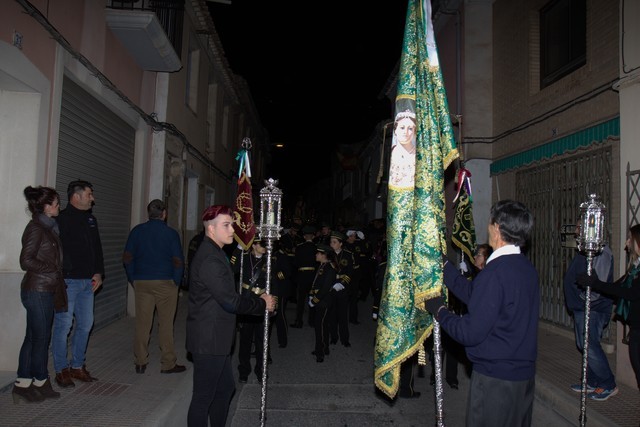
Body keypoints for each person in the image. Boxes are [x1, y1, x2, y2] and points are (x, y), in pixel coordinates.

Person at [426, 199, 539, 426]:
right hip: (522, 377)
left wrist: (440, 311)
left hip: (496, 380)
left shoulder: (494, 273)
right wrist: (445, 266)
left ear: (497, 227)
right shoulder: (526, 269)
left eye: (489, 222)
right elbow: (477, 296)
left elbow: (470, 332)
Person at [186, 205, 275, 427]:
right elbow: (230, 300)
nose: (232, 229)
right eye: (226, 225)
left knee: (225, 388)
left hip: (216, 338)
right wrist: (261, 303)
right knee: (202, 397)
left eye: (232, 224)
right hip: (209, 339)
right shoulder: (210, 259)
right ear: (211, 230)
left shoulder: (216, 252)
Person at [13, 186, 67, 404]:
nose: (58, 207)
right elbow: (25, 260)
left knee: (33, 337)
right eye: (55, 204)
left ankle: (24, 384)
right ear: (46, 207)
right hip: (38, 290)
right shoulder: (37, 228)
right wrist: (51, 269)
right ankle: (40, 381)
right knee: (41, 339)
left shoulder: (47, 227)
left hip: (42, 289)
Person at [122, 199, 186, 375]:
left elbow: (127, 257)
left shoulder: (137, 231)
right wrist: (176, 282)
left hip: (142, 281)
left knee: (142, 323)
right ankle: (168, 363)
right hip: (165, 282)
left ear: (148, 213)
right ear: (164, 214)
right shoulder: (170, 234)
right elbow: (178, 261)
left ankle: (140, 362)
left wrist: (133, 278)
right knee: (165, 324)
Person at [52, 180, 104, 388]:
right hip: (68, 282)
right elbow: (55, 253)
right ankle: (61, 369)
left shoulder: (91, 219)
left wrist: (99, 273)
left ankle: (77, 366)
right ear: (76, 196)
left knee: (85, 325)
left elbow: (97, 249)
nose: (92, 198)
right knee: (64, 325)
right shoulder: (61, 220)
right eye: (89, 194)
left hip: (87, 283)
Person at [577, 224, 640, 394]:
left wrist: (596, 284)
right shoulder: (635, 267)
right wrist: (597, 283)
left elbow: (631, 293)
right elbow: (617, 286)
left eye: (630, 239)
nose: (626, 243)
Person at [564, 239, 616, 400]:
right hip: (581, 307)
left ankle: (608, 384)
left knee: (589, 345)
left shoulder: (601, 251)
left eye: (581, 227)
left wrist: (583, 298)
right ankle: (593, 381)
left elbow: (597, 283)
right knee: (585, 345)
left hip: (593, 308)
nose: (578, 231)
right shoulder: (584, 250)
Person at [231, 238, 269, 383]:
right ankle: (244, 371)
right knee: (245, 341)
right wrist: (239, 248)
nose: (265, 247)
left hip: (262, 303)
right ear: (253, 245)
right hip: (247, 303)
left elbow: (275, 283)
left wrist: (274, 304)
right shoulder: (244, 258)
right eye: (262, 244)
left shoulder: (269, 260)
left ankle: (261, 371)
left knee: (261, 342)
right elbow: (232, 268)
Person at [308, 244, 337, 363]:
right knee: (323, 325)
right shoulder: (322, 266)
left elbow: (325, 288)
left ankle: (320, 352)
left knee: (319, 327)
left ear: (324, 255)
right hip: (320, 300)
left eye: (318, 253)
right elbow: (316, 283)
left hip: (323, 302)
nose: (316, 255)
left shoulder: (329, 268)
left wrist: (314, 300)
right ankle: (324, 348)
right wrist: (311, 295)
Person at [329, 230, 355, 347]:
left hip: (343, 289)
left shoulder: (348, 255)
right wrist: (332, 283)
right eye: (331, 242)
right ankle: (334, 337)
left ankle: (345, 339)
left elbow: (350, 272)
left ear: (340, 244)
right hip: (330, 288)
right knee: (332, 315)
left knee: (343, 316)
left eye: (334, 242)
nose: (331, 244)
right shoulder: (328, 255)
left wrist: (342, 283)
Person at [291, 225, 317, 328]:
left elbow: (295, 263)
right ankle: (312, 321)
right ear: (313, 237)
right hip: (313, 276)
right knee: (312, 299)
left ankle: (299, 321)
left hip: (302, 276)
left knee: (301, 300)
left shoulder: (299, 247)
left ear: (304, 237)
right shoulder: (317, 247)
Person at [388, 109, 416, 189]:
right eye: (402, 127)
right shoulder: (392, 153)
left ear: (414, 132)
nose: (405, 132)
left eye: (410, 128)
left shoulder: (418, 154)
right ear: (395, 130)